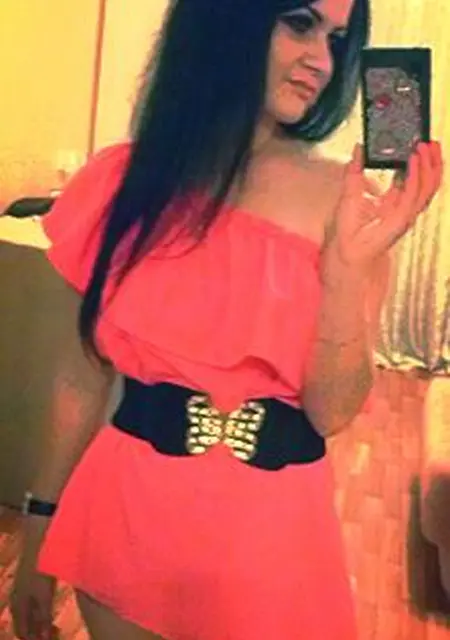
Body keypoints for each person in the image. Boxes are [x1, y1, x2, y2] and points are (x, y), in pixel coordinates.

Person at [10, 0, 442, 638]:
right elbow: (81, 377)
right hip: (123, 526)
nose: (322, 62)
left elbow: (332, 412)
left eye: (338, 39)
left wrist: (347, 273)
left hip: (269, 542)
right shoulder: (121, 182)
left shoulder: (346, 204)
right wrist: (39, 528)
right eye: (300, 24)